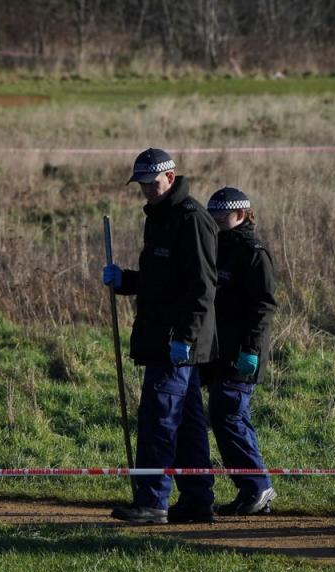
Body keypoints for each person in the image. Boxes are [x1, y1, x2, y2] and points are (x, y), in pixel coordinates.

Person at [103, 148, 220, 524]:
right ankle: (198, 500)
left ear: (171, 177)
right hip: (162, 337)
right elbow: (160, 281)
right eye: (141, 185)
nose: (147, 191)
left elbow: (203, 288)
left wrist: (185, 337)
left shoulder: (192, 219)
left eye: (152, 184)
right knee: (186, 423)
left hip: (178, 343)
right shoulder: (159, 218)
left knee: (158, 418)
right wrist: (126, 281)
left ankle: (152, 501)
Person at [203, 187, 278, 515]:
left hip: (241, 354)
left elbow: (262, 307)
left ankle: (257, 487)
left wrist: (251, 350)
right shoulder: (215, 247)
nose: (218, 219)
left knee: (229, 415)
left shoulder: (253, 251)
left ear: (242, 213)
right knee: (225, 417)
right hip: (216, 350)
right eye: (214, 214)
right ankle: (251, 488)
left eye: (224, 214)